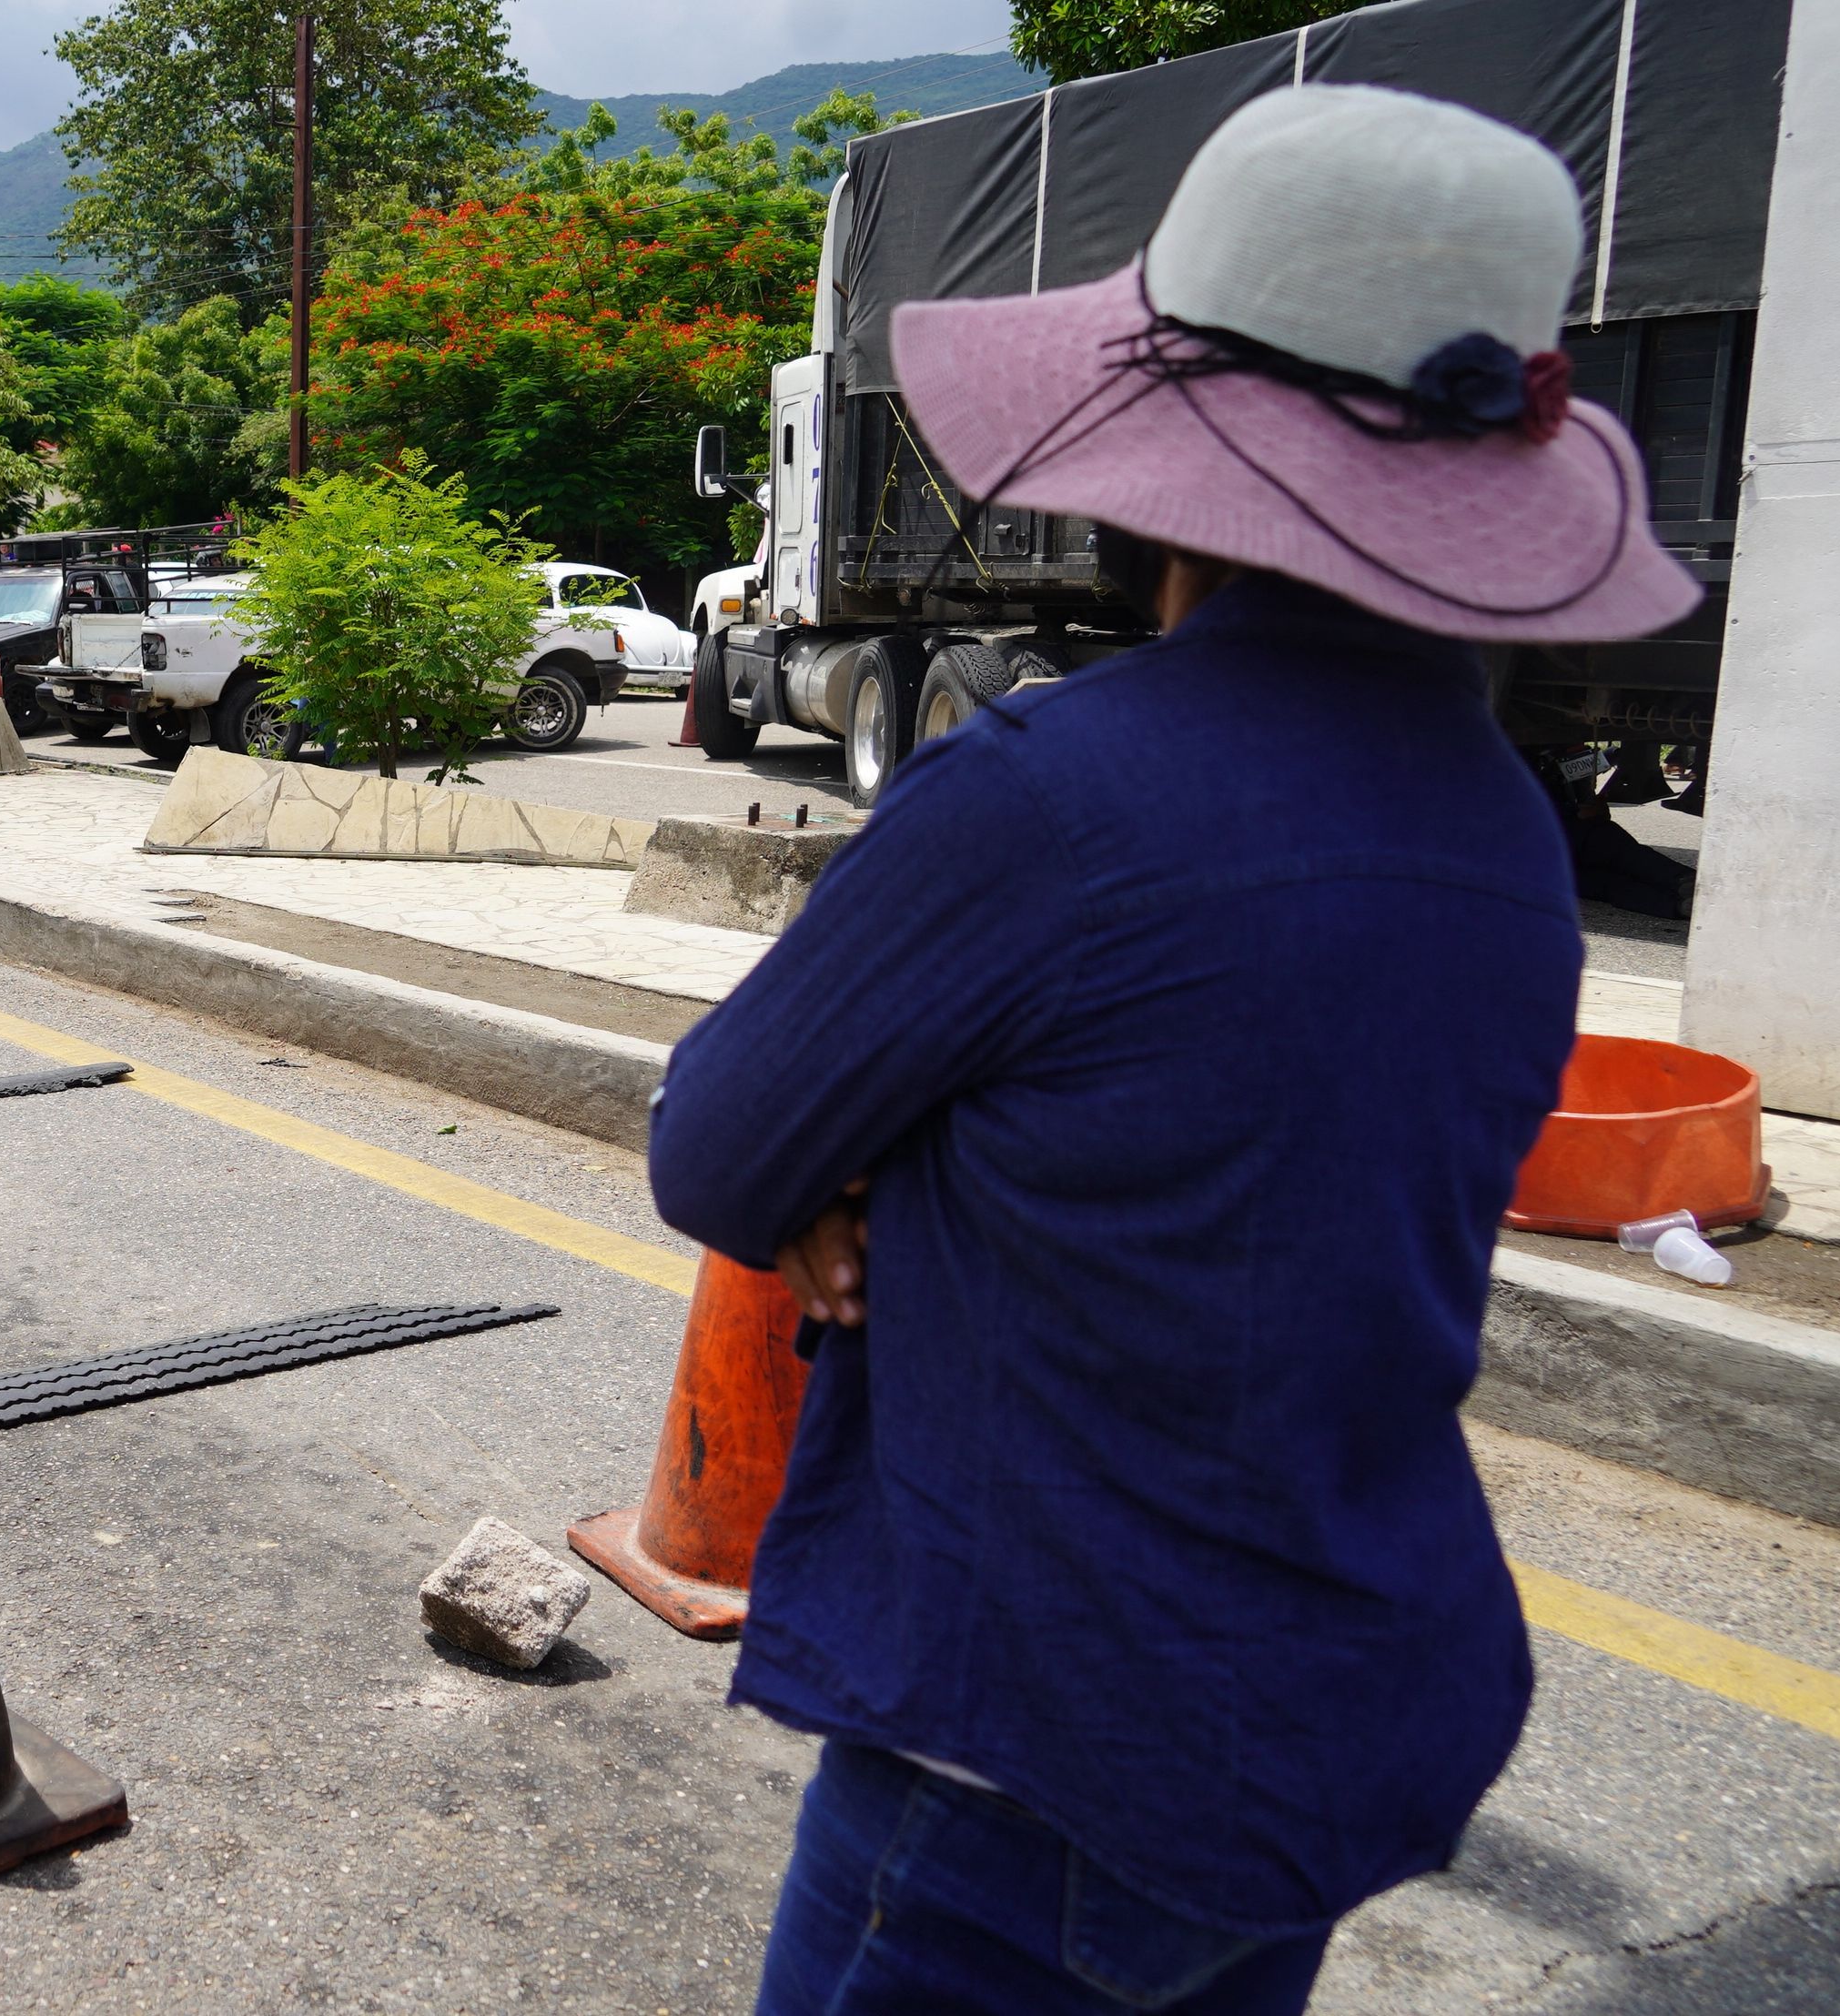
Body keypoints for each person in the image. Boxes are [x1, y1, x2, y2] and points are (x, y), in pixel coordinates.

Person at [642, 86, 1696, 2016]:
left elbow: (717, 1146)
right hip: (1315, 1714)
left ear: (1151, 464)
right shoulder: (1499, 834)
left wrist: (842, 1175)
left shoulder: (1049, 796)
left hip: (1026, 1745)